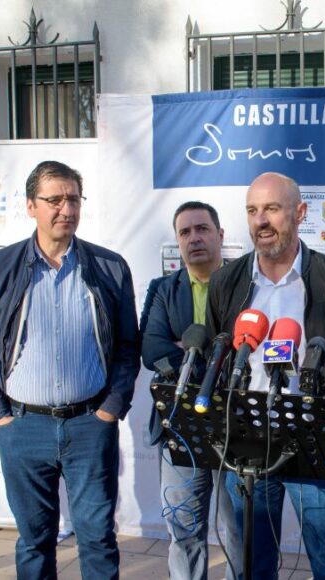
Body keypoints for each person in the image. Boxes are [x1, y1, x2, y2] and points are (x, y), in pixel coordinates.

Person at [0, 160, 140, 579]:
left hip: (90, 425)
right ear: (30, 206)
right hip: (23, 425)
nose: (65, 209)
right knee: (34, 541)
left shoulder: (109, 267)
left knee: (97, 537)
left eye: (73, 199)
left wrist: (110, 409)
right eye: (53, 199)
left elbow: (129, 346)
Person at [205, 172, 325, 580]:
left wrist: (324, 403)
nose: (261, 220)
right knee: (252, 564)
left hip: (310, 437)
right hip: (245, 438)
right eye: (252, 210)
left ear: (299, 213)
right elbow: (219, 350)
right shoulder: (227, 281)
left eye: (272, 209)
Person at [140, 201, 237, 579]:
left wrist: (188, 348)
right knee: (183, 529)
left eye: (202, 229)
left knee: (236, 530)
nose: (194, 238)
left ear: (220, 235)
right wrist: (214, 353)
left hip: (233, 422)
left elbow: (249, 352)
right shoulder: (163, 289)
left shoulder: (247, 284)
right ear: (178, 242)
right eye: (185, 232)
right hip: (179, 424)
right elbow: (152, 351)